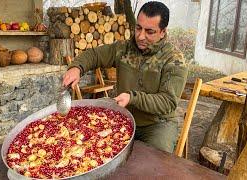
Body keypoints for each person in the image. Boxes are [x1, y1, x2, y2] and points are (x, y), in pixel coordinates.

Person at [62, 1, 188, 153]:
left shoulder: (174, 59)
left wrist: (133, 98)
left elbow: (167, 102)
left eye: (150, 32)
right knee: (91, 145)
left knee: (155, 164)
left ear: (163, 32)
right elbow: (95, 55)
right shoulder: (123, 48)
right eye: (138, 28)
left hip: (157, 124)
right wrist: (77, 67)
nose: (141, 36)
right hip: (123, 115)